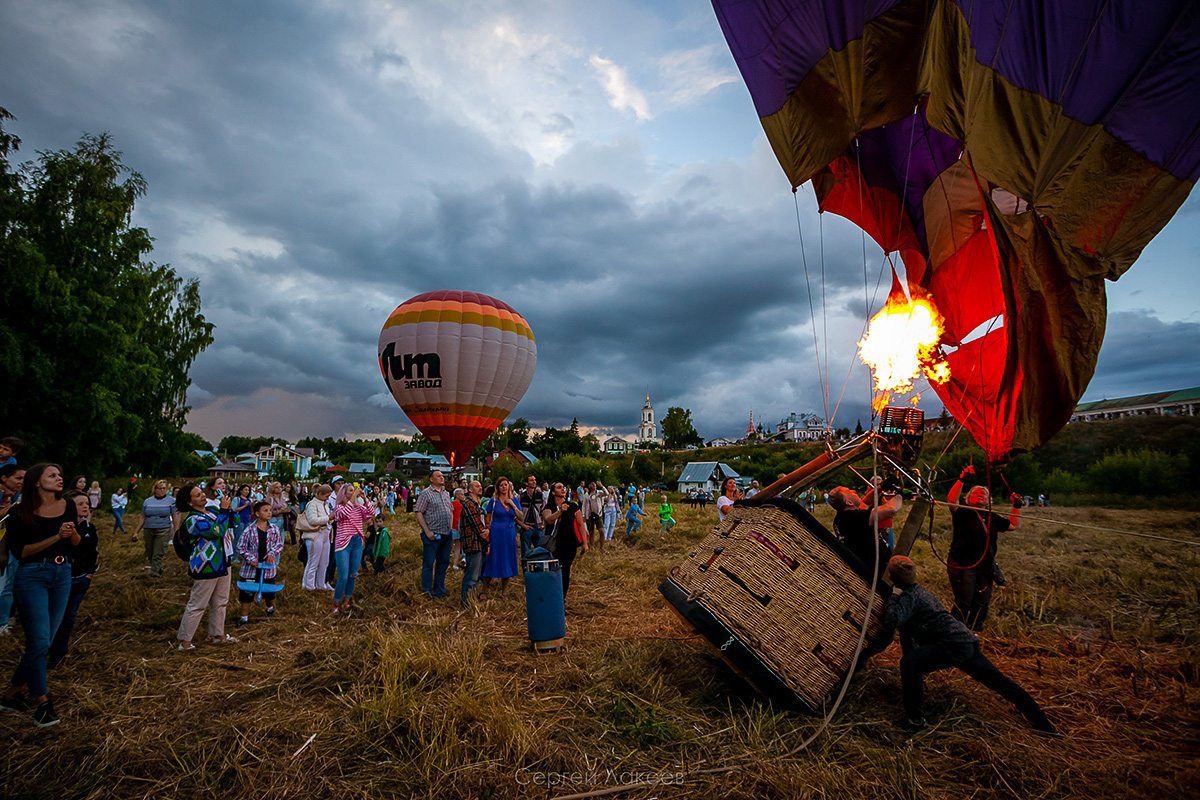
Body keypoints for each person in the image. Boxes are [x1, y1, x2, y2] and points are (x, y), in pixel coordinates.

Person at [859, 556, 1058, 735]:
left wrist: (893, 595)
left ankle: (915, 720)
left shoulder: (909, 597)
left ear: (893, 578)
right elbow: (908, 634)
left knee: (910, 664)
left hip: (952, 645)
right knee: (1000, 683)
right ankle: (1043, 725)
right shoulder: (922, 592)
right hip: (965, 640)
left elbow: (892, 619)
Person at [0, 463, 79, 727]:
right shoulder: (19, 512)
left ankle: (11, 694)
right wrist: (56, 536)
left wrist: (71, 534)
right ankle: (42, 702)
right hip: (32, 575)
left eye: (60, 474)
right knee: (40, 641)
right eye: (52, 475)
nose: (59, 478)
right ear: (36, 482)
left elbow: (74, 543)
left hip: (63, 573)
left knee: (43, 642)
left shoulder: (67, 505)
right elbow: (20, 552)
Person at [946, 465, 1021, 630]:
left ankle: (974, 632)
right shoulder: (963, 512)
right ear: (968, 498)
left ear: (989, 500)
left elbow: (1013, 525)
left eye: (984, 494)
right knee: (964, 601)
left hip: (985, 566)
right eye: (976, 493)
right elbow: (952, 501)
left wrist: (1016, 506)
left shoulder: (992, 517)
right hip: (963, 564)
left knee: (982, 603)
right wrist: (961, 480)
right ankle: (953, 631)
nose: (980, 495)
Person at [176, 484, 237, 651]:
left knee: (221, 601)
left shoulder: (211, 512)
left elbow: (233, 522)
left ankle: (217, 634)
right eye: (197, 495)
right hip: (206, 566)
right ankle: (185, 641)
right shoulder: (193, 520)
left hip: (223, 561)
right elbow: (216, 531)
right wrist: (224, 512)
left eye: (201, 493)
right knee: (198, 603)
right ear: (189, 503)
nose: (202, 496)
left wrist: (229, 510)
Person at [48, 491, 99, 667]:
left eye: (87, 503)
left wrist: (89, 573)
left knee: (69, 617)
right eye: (80, 504)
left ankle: (59, 653)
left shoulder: (89, 528)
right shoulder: (58, 528)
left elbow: (92, 552)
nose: (85, 506)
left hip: (81, 578)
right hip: (62, 578)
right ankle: (45, 650)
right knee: (55, 616)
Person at [828, 481, 902, 581]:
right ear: (849, 502)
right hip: (880, 574)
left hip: (872, 571)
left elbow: (866, 502)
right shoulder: (854, 518)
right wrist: (900, 495)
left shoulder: (841, 518)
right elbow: (891, 509)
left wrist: (881, 487)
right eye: (851, 492)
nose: (854, 490)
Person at [235, 500, 285, 627]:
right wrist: (250, 559)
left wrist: (272, 554)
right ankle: (244, 617)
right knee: (247, 593)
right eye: (265, 511)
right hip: (251, 569)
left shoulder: (274, 529)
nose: (269, 513)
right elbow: (240, 547)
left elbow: (279, 544)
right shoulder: (249, 530)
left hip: (267, 568)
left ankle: (270, 609)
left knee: (269, 591)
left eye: (270, 510)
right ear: (257, 514)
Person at [331, 483, 375, 615]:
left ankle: (347, 600)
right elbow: (344, 514)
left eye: (353, 490)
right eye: (350, 491)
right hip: (343, 543)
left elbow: (371, 514)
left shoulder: (358, 508)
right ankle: (337, 601)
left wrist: (365, 499)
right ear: (344, 494)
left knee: (353, 574)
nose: (353, 492)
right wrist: (352, 498)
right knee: (343, 576)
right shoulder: (338, 508)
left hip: (357, 542)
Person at [542, 483, 587, 601]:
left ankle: (562, 600)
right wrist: (560, 511)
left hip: (569, 544)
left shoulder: (573, 506)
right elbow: (548, 520)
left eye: (563, 487)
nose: (562, 489)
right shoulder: (549, 506)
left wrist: (584, 542)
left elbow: (580, 524)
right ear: (553, 492)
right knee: (553, 572)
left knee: (565, 572)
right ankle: (552, 598)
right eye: (559, 487)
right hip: (555, 545)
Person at [414, 470, 454, 598]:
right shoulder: (426, 494)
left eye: (442, 476)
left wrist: (451, 527)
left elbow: (450, 510)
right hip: (432, 534)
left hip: (446, 534)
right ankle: (427, 590)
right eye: (438, 476)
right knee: (429, 563)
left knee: (443, 563)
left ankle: (439, 590)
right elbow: (418, 512)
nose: (442, 478)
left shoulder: (446, 493)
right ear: (431, 479)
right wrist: (427, 531)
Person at [481, 477, 521, 599]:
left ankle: (504, 591)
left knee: (507, 559)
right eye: (501, 485)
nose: (504, 487)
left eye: (506, 485)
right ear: (497, 487)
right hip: (496, 532)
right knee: (493, 558)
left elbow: (521, 516)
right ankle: (484, 590)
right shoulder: (493, 501)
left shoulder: (514, 500)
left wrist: (512, 505)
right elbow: (488, 519)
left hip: (509, 532)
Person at [0, 463, 28, 636]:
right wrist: (16, 507)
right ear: (4, 478)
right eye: (18, 478)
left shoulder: (13, 496)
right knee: (7, 586)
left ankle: (8, 618)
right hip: (5, 546)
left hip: (7, 544)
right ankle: (3, 622)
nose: (21, 482)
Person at [457, 480, 489, 609]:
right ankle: (466, 604)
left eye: (481, 486)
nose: (480, 488)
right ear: (470, 490)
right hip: (473, 543)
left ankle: (470, 600)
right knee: (472, 576)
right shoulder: (469, 504)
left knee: (476, 576)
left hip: (480, 544)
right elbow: (477, 526)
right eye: (477, 486)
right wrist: (485, 532)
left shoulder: (478, 505)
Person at [136, 480, 176, 578]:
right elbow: (142, 517)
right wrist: (136, 531)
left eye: (164, 488)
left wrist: (176, 529)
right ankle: (158, 567)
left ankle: (155, 574)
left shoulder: (171, 501)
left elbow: (175, 516)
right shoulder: (147, 501)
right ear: (155, 489)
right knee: (150, 551)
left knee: (158, 551)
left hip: (163, 528)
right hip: (149, 527)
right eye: (160, 488)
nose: (162, 490)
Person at [301, 484, 333, 591]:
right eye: (326, 496)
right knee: (313, 561)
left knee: (324, 561)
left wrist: (330, 519)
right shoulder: (312, 504)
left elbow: (325, 519)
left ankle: (320, 584)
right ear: (319, 494)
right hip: (315, 535)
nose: (327, 498)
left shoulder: (325, 504)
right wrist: (328, 518)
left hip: (326, 534)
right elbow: (312, 520)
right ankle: (308, 585)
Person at [518, 474, 545, 558]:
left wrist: (543, 523)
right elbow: (515, 514)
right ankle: (526, 569)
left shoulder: (540, 495)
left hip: (538, 526)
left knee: (540, 551)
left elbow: (544, 510)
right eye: (531, 480)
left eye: (535, 480)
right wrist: (522, 525)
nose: (534, 482)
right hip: (526, 526)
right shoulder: (521, 497)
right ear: (526, 483)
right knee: (526, 552)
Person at [582, 481, 605, 550]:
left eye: (594, 484)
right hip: (589, 515)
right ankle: (592, 548)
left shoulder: (599, 492)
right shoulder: (586, 495)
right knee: (591, 533)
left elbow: (606, 493)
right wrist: (583, 515)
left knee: (601, 531)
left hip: (598, 515)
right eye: (592, 484)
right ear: (589, 486)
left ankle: (602, 548)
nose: (593, 485)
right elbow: (584, 506)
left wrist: (602, 486)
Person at [450, 488, 464, 570]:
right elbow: (458, 518)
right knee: (457, 547)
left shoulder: (451, 503)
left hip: (451, 527)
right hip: (456, 527)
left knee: (450, 546)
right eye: (461, 494)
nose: (463, 496)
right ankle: (454, 564)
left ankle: (448, 563)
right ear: (457, 495)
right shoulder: (459, 505)